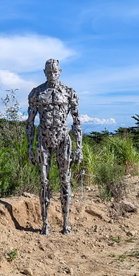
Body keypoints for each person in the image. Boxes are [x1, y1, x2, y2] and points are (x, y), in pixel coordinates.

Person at [26, 59, 82, 235]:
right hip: (43, 138)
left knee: (65, 181)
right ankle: (45, 223)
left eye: (55, 72)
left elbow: (77, 121)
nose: (52, 75)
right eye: (49, 72)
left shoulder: (69, 92)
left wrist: (79, 146)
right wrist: (29, 146)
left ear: (60, 72)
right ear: (44, 73)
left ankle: (65, 223)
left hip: (63, 140)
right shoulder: (36, 93)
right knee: (44, 182)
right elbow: (30, 123)